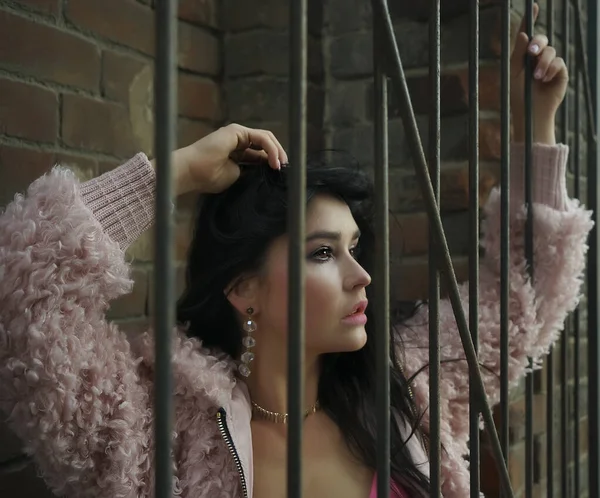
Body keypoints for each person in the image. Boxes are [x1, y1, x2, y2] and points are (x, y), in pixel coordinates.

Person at [0, 6, 592, 498]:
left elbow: (522, 305)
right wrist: (169, 174)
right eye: (322, 253)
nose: (363, 277)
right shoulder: (153, 432)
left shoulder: (406, 383)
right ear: (242, 288)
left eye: (353, 247)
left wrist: (537, 126)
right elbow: (23, 301)